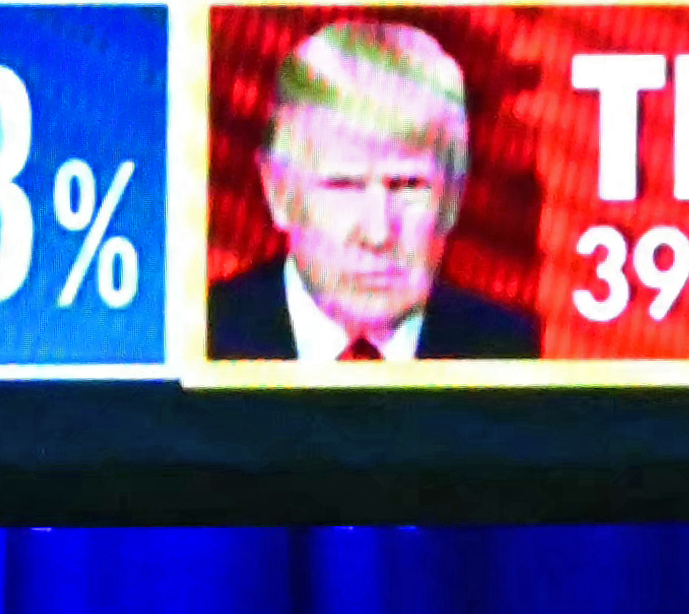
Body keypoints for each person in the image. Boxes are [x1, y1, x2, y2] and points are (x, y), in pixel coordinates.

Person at [212, 22, 528, 362]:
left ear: (452, 197)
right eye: (344, 184)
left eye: (407, 185)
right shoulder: (201, 336)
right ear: (279, 192)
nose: (377, 233)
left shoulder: (517, 350)